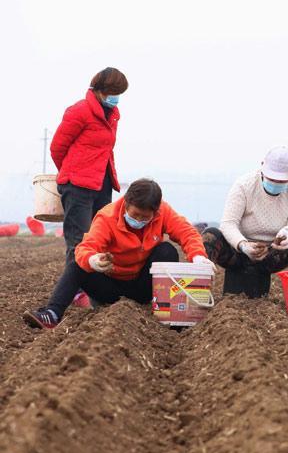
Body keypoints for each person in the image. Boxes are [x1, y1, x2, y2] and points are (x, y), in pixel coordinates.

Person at [23, 179, 211, 329]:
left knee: (166, 250)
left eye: (145, 217)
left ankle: (170, 313)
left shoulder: (163, 212)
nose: (139, 220)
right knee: (76, 264)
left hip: (144, 286)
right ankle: (52, 313)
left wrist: (198, 256)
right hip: (110, 286)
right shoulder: (107, 217)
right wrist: (93, 260)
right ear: (126, 203)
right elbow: (86, 246)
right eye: (135, 215)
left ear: (155, 212)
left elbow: (186, 232)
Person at [202, 147, 288, 298]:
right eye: (272, 179)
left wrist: (287, 232)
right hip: (239, 252)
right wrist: (243, 245)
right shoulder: (244, 185)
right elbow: (228, 224)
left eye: (282, 181)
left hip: (271, 253)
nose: (276, 183)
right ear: (262, 167)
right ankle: (198, 294)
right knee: (210, 235)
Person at [51, 67, 128, 263]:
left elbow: (105, 150)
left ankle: (96, 283)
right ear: (99, 90)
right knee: (79, 241)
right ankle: (75, 282)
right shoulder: (80, 110)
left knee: (101, 239)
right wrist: (70, 173)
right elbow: (57, 148)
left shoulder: (112, 114)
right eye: (113, 92)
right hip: (78, 186)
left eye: (119, 93)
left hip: (103, 183)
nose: (116, 97)